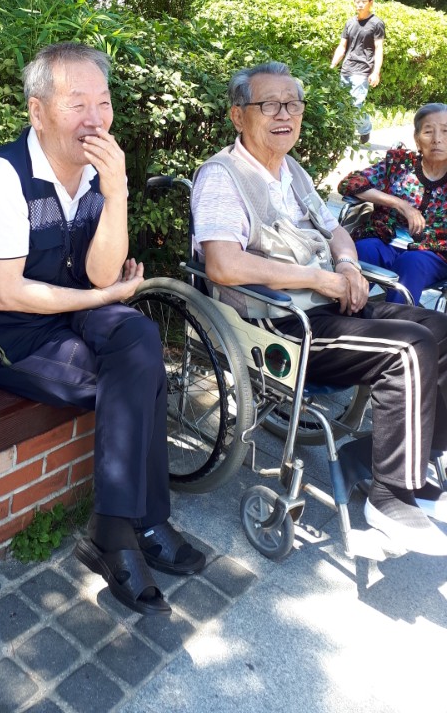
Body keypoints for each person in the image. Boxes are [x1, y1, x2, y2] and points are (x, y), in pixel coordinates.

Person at [0, 41, 205, 615]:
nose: (95, 118)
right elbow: (6, 292)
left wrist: (117, 193)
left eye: (103, 102)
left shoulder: (93, 174)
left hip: (69, 309)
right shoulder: (3, 178)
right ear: (37, 112)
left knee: (139, 339)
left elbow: (102, 273)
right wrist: (102, 297)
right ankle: (135, 524)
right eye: (77, 103)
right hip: (1, 332)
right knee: (138, 376)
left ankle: (117, 527)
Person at [191, 61, 447, 556]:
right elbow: (222, 263)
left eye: (293, 104)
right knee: (409, 350)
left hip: (328, 303)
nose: (285, 114)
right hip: (279, 323)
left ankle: (398, 465)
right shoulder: (223, 177)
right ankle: (389, 498)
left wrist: (347, 265)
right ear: (238, 116)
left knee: (439, 329)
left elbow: (334, 230)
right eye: (270, 104)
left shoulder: (291, 170)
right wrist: (318, 278)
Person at [338, 103, 447, 305]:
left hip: (432, 253)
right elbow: (351, 183)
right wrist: (400, 204)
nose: (437, 139)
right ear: (417, 139)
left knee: (411, 263)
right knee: (362, 251)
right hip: (385, 240)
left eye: (445, 131)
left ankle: (395, 322)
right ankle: (340, 314)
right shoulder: (399, 164)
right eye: (428, 131)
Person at [330, 0, 385, 144]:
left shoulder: (376, 23)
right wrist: (332, 66)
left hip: (362, 70)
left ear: (371, 2)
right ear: (353, 2)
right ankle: (344, 135)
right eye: (357, 1)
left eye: (364, 1)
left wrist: (376, 72)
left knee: (355, 104)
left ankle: (365, 129)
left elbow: (379, 49)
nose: (360, 4)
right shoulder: (350, 23)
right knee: (342, 104)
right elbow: (342, 46)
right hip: (346, 69)